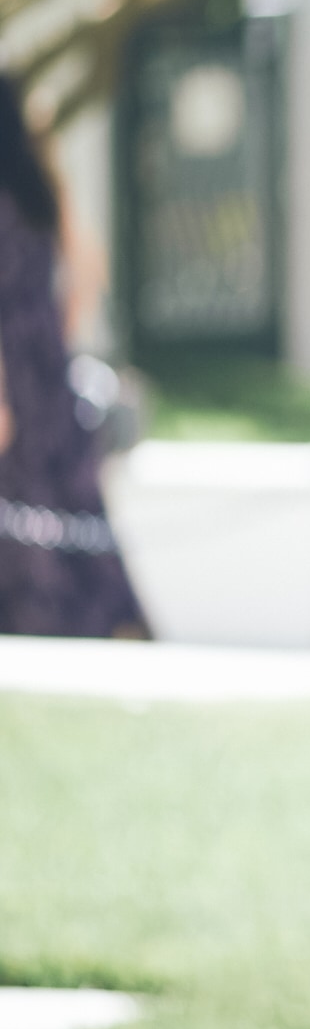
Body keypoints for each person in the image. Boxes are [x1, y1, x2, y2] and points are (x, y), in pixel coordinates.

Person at [0, 74, 147, 639]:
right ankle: (109, 627)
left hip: (11, 374)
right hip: (45, 365)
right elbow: (88, 270)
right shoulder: (40, 181)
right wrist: (51, 330)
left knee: (26, 510)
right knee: (69, 502)